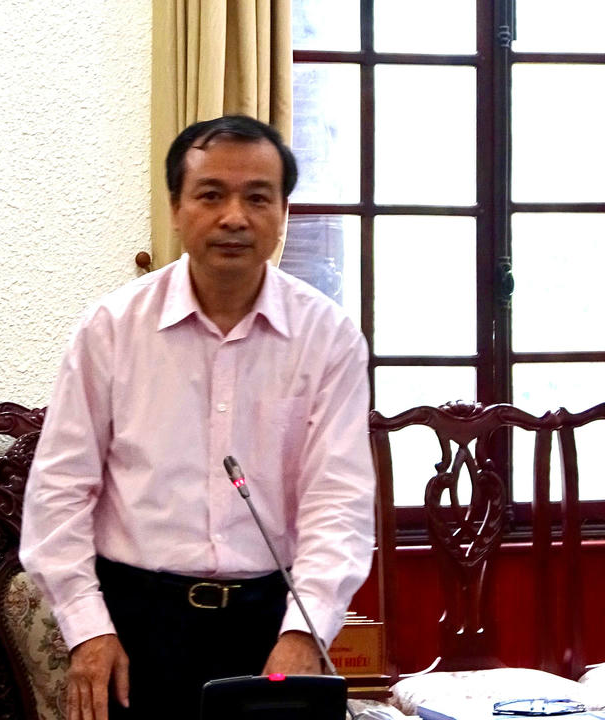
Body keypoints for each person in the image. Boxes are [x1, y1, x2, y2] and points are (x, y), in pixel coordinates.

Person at [20, 114, 376, 719]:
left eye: (257, 198)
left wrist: (306, 629)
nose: (234, 217)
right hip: (136, 621)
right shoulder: (112, 329)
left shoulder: (327, 336)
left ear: (283, 213)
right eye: (211, 195)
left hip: (272, 620)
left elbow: (337, 500)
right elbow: (60, 490)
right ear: (176, 208)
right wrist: (88, 629)